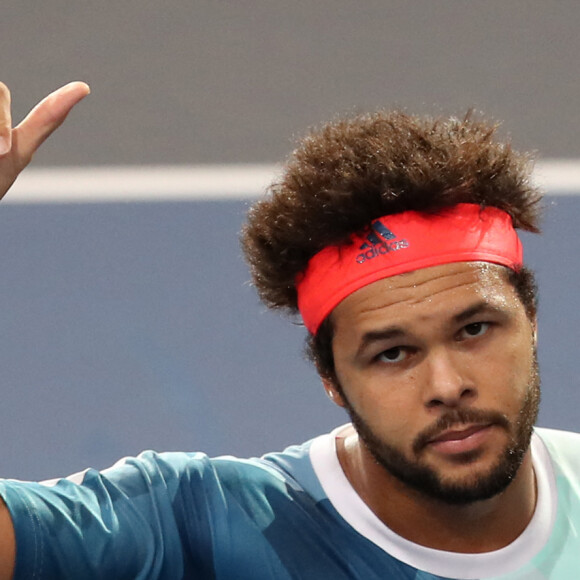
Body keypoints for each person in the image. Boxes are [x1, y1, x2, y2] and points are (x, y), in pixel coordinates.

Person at [0, 82, 577, 580]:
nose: (447, 385)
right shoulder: (208, 525)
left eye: (474, 329)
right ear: (331, 378)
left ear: (530, 323)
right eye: (393, 353)